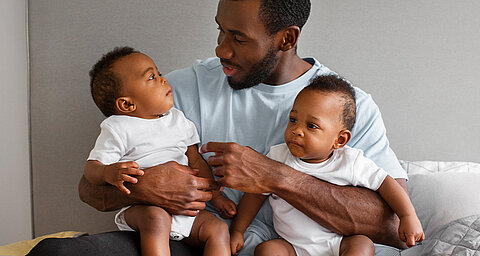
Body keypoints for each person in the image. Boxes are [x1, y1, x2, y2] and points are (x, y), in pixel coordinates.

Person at [28, 1, 409, 255]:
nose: (221, 50)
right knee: (55, 252)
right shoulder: (182, 88)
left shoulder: (342, 107)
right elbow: (90, 189)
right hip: (195, 240)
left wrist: (275, 177)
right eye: (220, 31)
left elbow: (392, 227)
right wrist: (146, 185)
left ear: (286, 38)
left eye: (238, 38)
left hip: (301, 251)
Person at [229, 75, 424, 256]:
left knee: (362, 245)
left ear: (339, 139)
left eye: (311, 126)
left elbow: (386, 183)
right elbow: (254, 194)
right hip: (291, 246)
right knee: (267, 250)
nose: (297, 130)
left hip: (338, 243)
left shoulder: (351, 161)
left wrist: (407, 216)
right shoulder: (278, 156)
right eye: (293, 120)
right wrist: (238, 230)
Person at [83, 46, 234, 255]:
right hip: (144, 210)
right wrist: (108, 172)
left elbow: (195, 160)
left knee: (218, 228)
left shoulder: (177, 119)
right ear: (127, 104)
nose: (163, 79)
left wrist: (216, 196)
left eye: (159, 73)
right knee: (157, 219)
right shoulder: (118, 127)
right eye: (152, 77)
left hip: (186, 213)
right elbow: (92, 168)